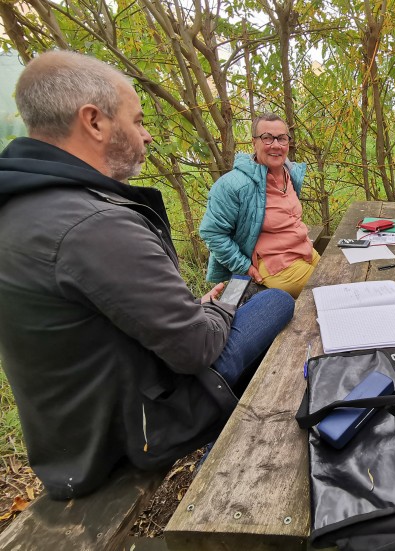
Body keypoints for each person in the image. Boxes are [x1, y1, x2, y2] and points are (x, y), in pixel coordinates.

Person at [0, 51, 295, 499]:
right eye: (137, 121)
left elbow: (97, 322)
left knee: (248, 305)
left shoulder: (27, 204)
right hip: (134, 431)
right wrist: (220, 308)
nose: (148, 135)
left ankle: (225, 442)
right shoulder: (93, 223)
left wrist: (194, 310)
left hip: (71, 438)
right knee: (275, 303)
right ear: (94, 121)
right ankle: (224, 460)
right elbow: (196, 348)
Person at [199, 114, 318, 299]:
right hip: (278, 266)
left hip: (305, 252)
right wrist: (244, 267)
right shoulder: (233, 185)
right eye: (267, 138)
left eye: (282, 138)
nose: (276, 145)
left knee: (346, 271)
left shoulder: (290, 173)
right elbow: (212, 233)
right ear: (254, 143)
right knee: (333, 287)